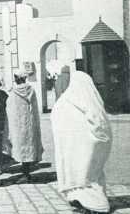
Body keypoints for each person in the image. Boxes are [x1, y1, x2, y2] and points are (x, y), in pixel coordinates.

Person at [52, 72, 112, 214]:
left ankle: (80, 199)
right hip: (87, 146)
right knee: (88, 173)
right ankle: (92, 203)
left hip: (69, 148)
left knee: (75, 173)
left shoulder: (64, 100)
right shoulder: (90, 100)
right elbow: (100, 124)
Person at [5, 69, 43, 183]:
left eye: (16, 77)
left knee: (21, 147)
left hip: (18, 125)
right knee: (28, 146)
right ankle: (26, 173)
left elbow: (9, 108)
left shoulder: (13, 92)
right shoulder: (31, 90)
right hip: (29, 123)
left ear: (18, 78)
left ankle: (25, 174)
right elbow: (35, 109)